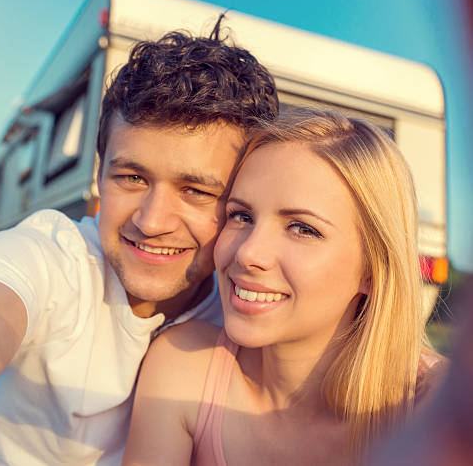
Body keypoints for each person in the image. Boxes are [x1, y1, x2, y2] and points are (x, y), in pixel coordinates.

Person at [0, 17, 278, 465]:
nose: (152, 221)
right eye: (132, 178)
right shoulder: (53, 257)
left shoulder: (242, 314)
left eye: (196, 191)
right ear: (98, 176)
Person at [123, 108, 444, 465]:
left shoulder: (434, 411)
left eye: (302, 229)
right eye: (241, 216)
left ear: (372, 270)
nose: (248, 253)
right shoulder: (183, 365)